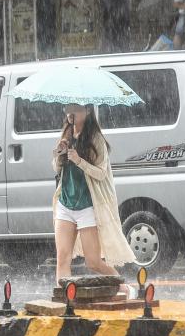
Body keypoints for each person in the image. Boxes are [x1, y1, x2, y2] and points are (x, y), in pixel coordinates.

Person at [52, 104, 137, 296]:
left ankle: (124, 288)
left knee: (93, 262)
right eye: (68, 108)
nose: (71, 112)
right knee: (62, 258)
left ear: (88, 111)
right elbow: (57, 169)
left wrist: (79, 161)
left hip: (87, 206)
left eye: (76, 108)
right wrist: (59, 155)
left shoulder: (96, 139)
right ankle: (65, 301)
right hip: (65, 202)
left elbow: (100, 173)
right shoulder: (66, 134)